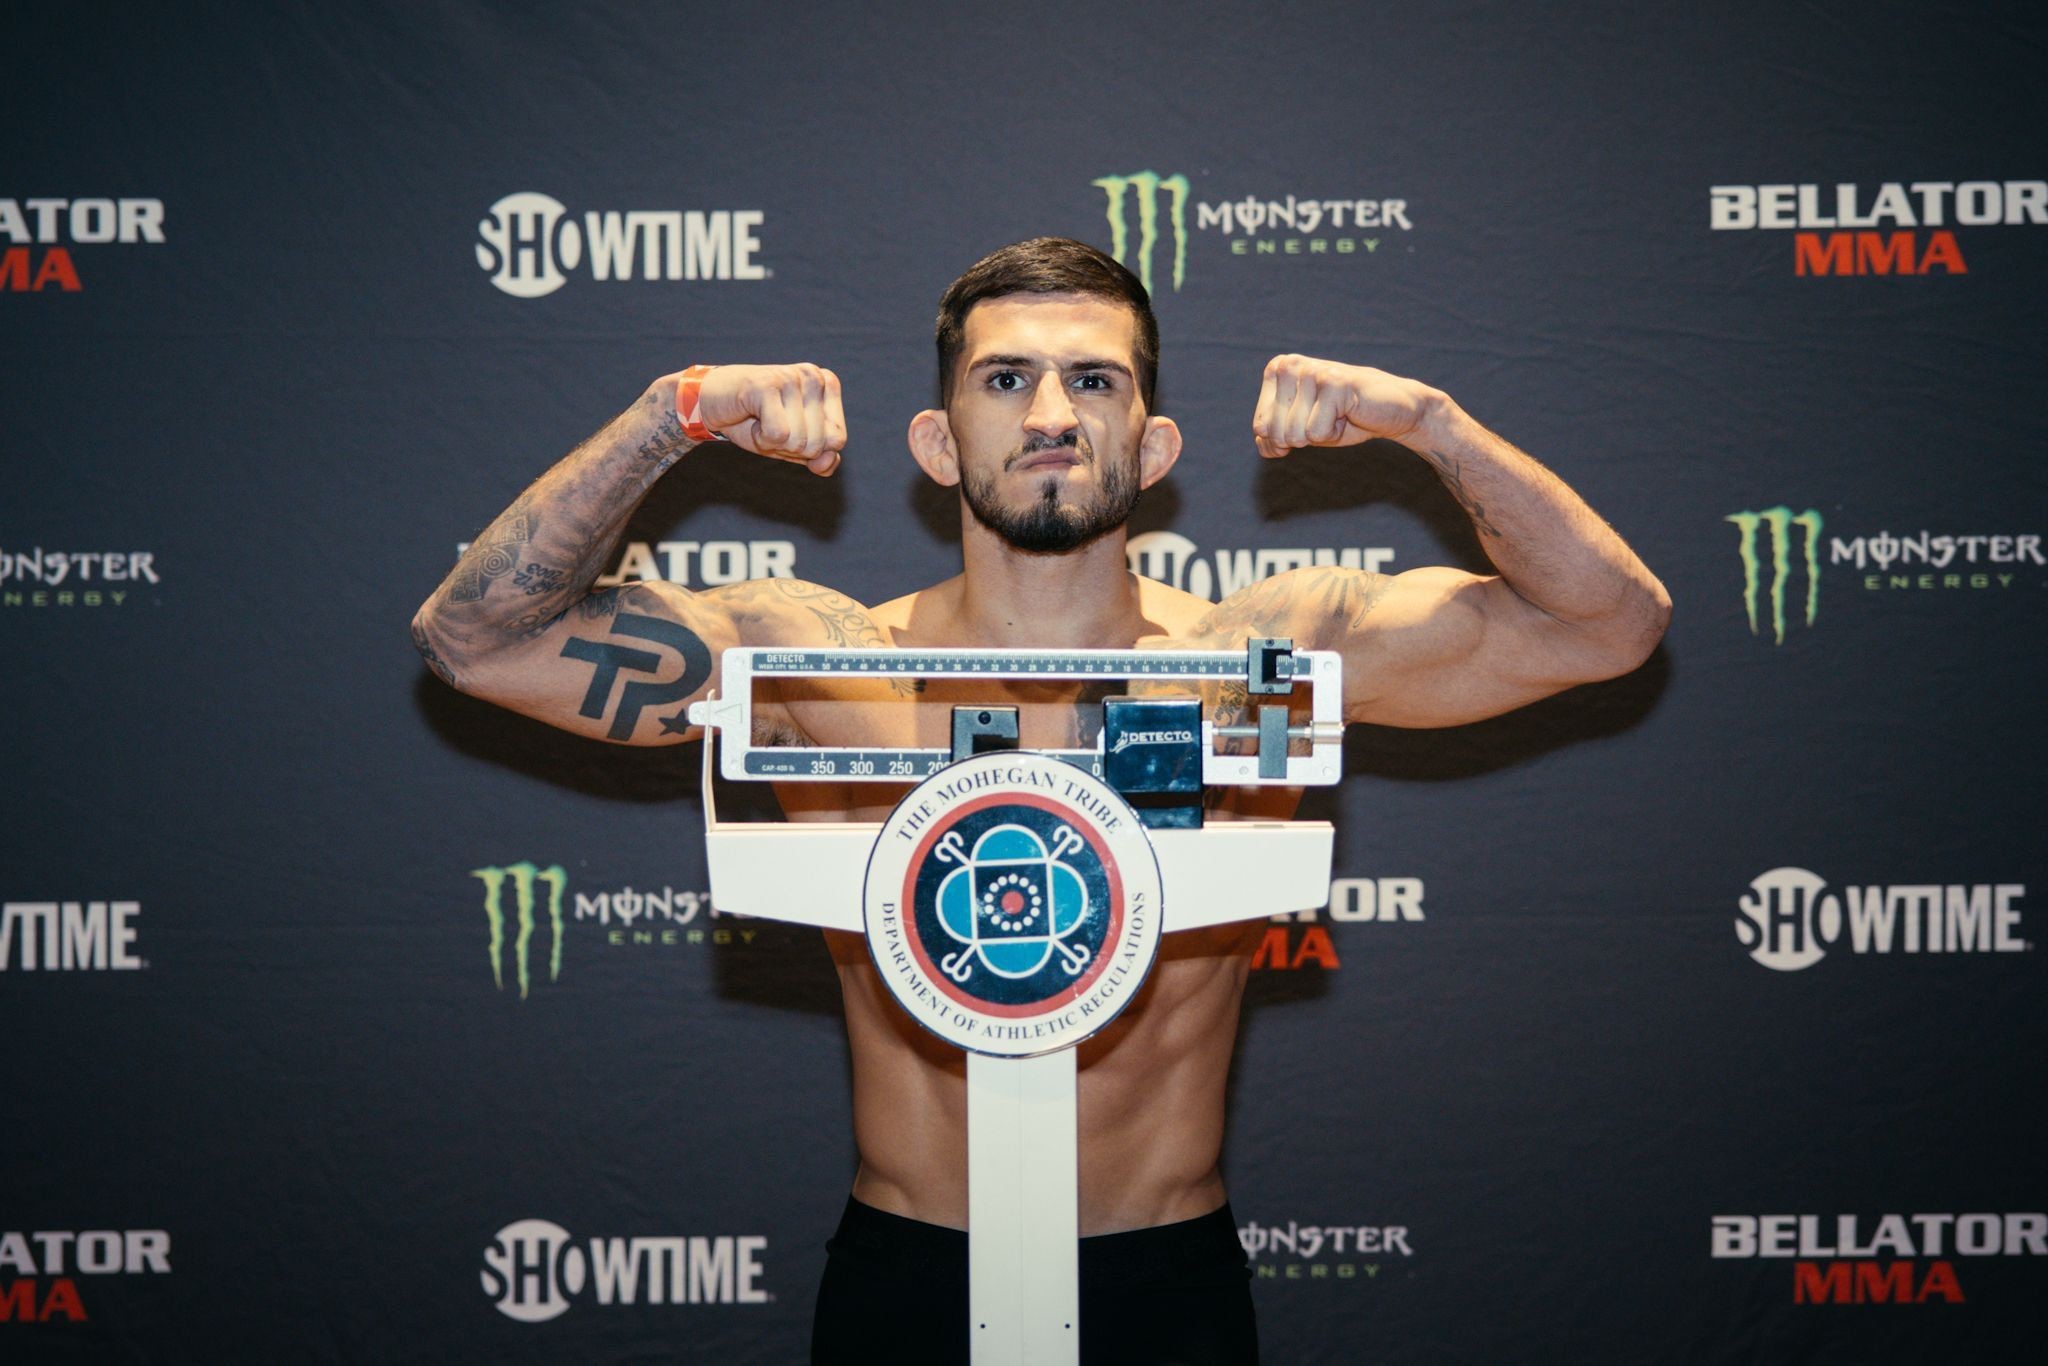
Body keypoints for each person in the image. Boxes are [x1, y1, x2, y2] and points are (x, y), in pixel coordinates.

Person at [412, 237, 1670, 1363]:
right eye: (1006, 378)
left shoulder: (1266, 663)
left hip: (1158, 1285)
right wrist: (667, 419)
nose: (1053, 413)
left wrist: (1433, 425)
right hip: (912, 1278)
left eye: (1097, 381)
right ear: (937, 442)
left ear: (1154, 446)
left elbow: (1608, 625)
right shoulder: (816, 666)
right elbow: (474, 643)